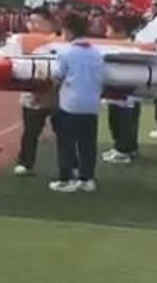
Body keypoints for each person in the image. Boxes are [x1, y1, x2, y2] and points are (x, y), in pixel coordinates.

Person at [49, 12, 105, 193]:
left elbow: (57, 76)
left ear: (69, 31)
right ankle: (87, 179)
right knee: (88, 144)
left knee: (66, 143)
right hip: (91, 105)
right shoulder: (97, 52)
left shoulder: (66, 52)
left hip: (71, 105)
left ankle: (67, 179)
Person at [14, 7, 59, 176]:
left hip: (56, 95)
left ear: (50, 23)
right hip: (31, 95)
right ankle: (25, 162)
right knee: (30, 131)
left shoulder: (59, 42)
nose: (33, 26)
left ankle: (71, 164)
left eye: (38, 22)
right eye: (30, 22)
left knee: (64, 132)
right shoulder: (22, 42)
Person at [103, 16, 141, 164]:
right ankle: (125, 147)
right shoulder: (117, 46)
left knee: (125, 122)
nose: (106, 33)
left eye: (109, 30)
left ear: (121, 32)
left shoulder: (131, 48)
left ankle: (123, 151)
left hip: (128, 93)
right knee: (117, 120)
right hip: (117, 92)